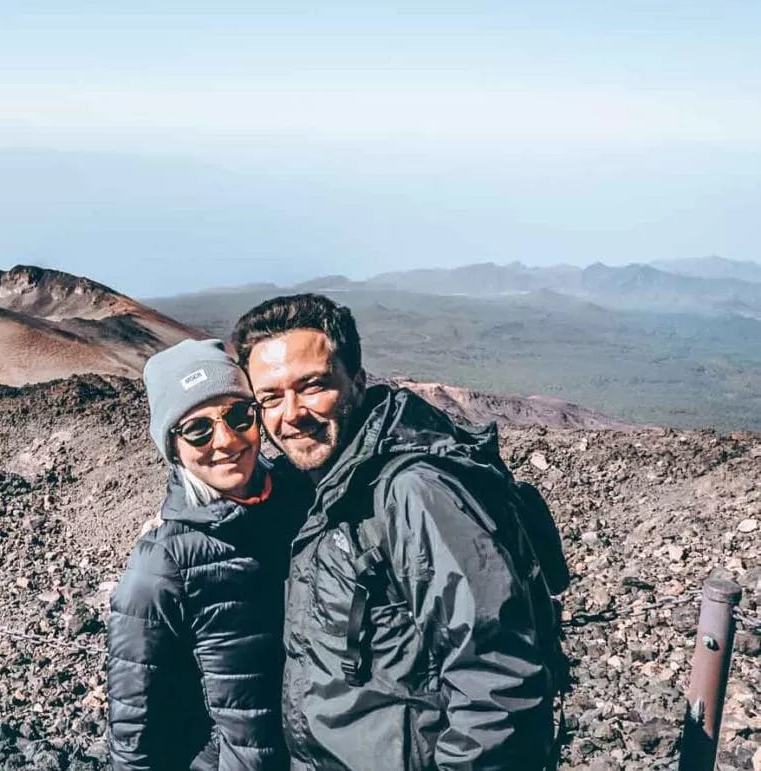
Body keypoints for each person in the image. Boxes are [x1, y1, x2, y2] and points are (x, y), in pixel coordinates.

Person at [231, 294, 560, 771]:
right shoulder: (322, 484)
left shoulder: (415, 493)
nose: (293, 412)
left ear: (358, 382)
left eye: (313, 386)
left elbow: (496, 679)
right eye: (271, 397)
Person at [107, 338, 306, 771]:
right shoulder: (162, 565)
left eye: (239, 416)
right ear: (173, 447)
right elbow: (135, 724)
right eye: (198, 429)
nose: (227, 440)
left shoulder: (303, 495)